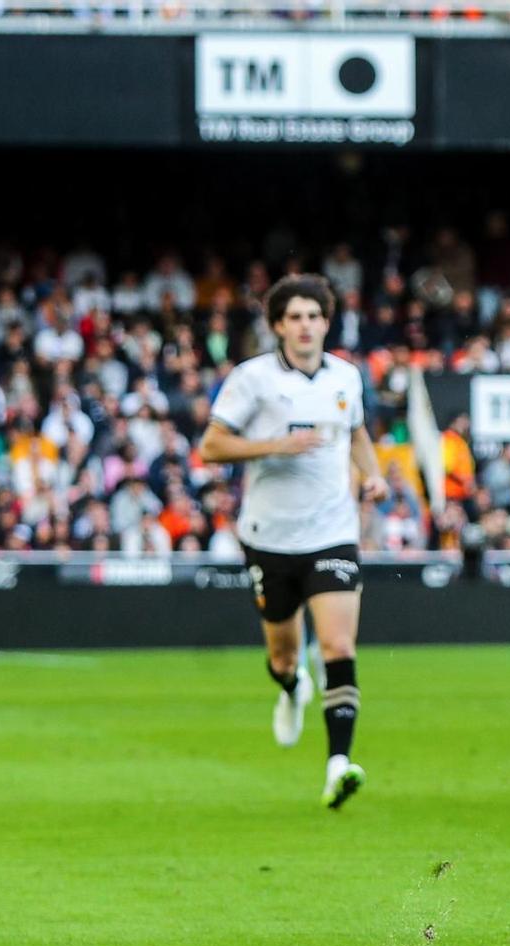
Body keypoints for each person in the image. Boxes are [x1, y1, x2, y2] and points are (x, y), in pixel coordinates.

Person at [199, 274, 385, 808]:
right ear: (278, 325)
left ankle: (338, 764)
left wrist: (370, 475)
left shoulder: (346, 377)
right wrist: (276, 444)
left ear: (327, 322)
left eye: (314, 316)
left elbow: (357, 436)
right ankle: (291, 687)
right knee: (283, 655)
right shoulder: (252, 379)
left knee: (339, 646)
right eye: (294, 317)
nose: (305, 326)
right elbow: (211, 446)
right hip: (270, 538)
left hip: (333, 533)